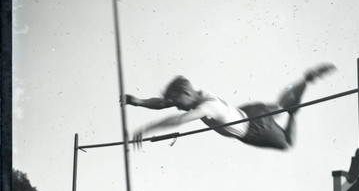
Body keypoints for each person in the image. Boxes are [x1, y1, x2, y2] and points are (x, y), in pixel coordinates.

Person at [123, 63, 336, 150]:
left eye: (179, 103)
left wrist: (146, 129)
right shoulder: (197, 95)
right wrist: (138, 102)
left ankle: (293, 115)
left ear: (186, 94)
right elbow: (163, 103)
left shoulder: (207, 107)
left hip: (253, 129)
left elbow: (178, 120)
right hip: (250, 111)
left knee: (287, 142)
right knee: (281, 103)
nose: (178, 108)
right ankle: (305, 81)